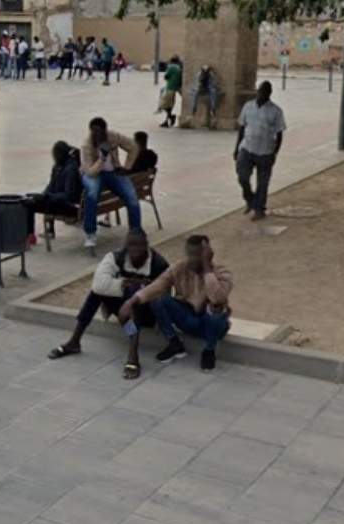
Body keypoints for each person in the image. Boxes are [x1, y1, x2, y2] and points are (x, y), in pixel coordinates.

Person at [48, 231, 170, 379]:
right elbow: (98, 284)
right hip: (124, 312)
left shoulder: (158, 264)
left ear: (147, 246)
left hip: (147, 314)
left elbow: (165, 296)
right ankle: (74, 341)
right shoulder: (116, 257)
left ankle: (133, 355)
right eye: (131, 245)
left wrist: (139, 293)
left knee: (134, 294)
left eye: (139, 245)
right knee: (96, 293)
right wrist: (125, 284)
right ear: (126, 246)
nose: (135, 249)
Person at [123, 234, 233, 372]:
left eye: (197, 254)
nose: (192, 259)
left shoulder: (222, 272)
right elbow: (157, 285)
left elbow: (217, 298)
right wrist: (131, 301)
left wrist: (207, 268)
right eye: (190, 254)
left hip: (211, 325)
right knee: (157, 298)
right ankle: (174, 343)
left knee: (216, 310)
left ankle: (209, 351)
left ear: (207, 255)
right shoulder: (180, 267)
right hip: (186, 318)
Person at [79, 117, 144, 251]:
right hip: (94, 174)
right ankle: (90, 233)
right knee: (92, 194)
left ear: (105, 130)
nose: (98, 135)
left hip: (113, 172)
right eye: (95, 132)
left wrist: (127, 167)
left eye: (101, 132)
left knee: (131, 196)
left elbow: (133, 146)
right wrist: (102, 158)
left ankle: (136, 232)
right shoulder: (86, 145)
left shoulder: (113, 136)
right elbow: (90, 172)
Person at [235, 82, 285, 220]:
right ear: (257, 91)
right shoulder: (248, 106)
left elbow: (279, 133)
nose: (262, 94)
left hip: (265, 151)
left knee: (262, 183)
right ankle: (250, 199)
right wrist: (236, 148)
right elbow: (242, 128)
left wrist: (275, 152)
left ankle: (259, 209)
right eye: (260, 91)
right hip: (247, 148)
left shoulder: (276, 111)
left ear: (269, 94)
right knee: (242, 176)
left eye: (265, 92)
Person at [24, 141, 84, 232]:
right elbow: (51, 185)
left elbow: (69, 196)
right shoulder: (57, 166)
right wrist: (43, 196)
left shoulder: (71, 169)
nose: (54, 157)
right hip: (57, 201)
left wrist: (49, 197)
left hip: (69, 206)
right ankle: (30, 233)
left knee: (29, 204)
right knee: (29, 198)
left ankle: (29, 234)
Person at [159, 55, 183, 128]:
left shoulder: (171, 67)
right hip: (176, 87)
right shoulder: (179, 67)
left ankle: (170, 117)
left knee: (163, 105)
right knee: (170, 105)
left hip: (170, 87)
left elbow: (166, 76)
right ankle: (167, 120)